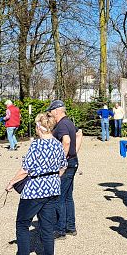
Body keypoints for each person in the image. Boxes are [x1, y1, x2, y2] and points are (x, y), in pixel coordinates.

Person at [4, 113, 66, 255]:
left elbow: (25, 169)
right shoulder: (58, 144)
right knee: (47, 229)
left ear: (39, 128)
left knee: (22, 225)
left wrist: (11, 182)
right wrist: (52, 179)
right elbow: (63, 167)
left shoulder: (37, 145)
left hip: (34, 191)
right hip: (52, 190)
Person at [47, 100, 83, 239]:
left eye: (51, 111)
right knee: (68, 196)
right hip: (72, 162)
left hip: (67, 165)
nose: (50, 114)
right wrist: (74, 153)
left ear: (57, 111)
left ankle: (60, 230)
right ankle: (70, 227)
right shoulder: (68, 122)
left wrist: (61, 161)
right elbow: (79, 134)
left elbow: (66, 141)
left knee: (59, 197)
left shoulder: (62, 124)